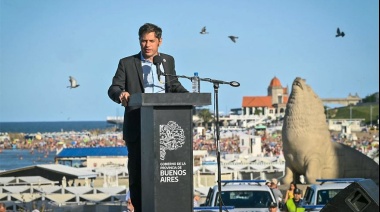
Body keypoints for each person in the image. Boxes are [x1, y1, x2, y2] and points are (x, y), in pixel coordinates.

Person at [108, 23, 188, 212]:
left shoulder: (168, 61)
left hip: (165, 128)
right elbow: (113, 88)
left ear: (159, 41)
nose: (147, 45)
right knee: (138, 175)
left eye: (151, 41)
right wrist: (121, 95)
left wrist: (192, 98)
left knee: (165, 174)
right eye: (143, 41)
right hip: (138, 127)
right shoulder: (127, 63)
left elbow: (174, 85)